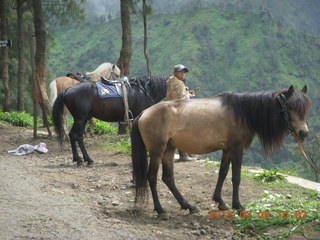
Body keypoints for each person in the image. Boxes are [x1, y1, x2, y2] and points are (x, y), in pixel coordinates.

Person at [166, 64, 197, 162]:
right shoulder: (178, 83)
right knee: (181, 132)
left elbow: (179, 95)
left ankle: (186, 154)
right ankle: (184, 155)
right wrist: (188, 95)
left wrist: (188, 93)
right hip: (178, 111)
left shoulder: (173, 81)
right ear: (175, 73)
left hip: (173, 109)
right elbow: (183, 99)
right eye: (180, 72)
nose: (183, 74)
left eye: (184, 72)